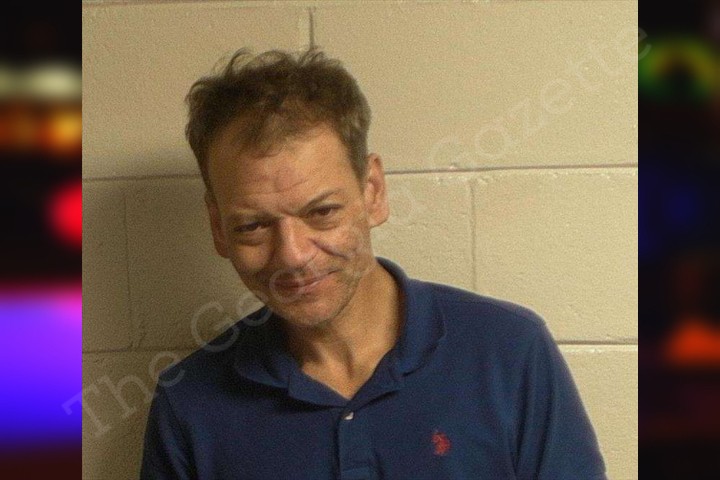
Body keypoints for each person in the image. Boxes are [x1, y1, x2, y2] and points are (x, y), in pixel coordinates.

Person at [140, 47, 607, 480]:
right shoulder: (188, 405)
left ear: (373, 192)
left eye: (322, 212)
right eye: (253, 226)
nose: (293, 256)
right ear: (218, 228)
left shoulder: (509, 353)